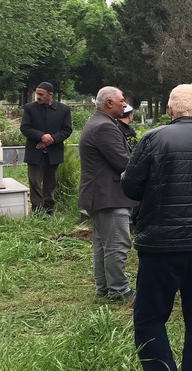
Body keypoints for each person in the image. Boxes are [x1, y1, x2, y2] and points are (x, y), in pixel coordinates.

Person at [123, 84, 192, 371]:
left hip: (161, 242)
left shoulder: (152, 139)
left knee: (149, 318)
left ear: (170, 110)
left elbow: (130, 186)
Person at [78, 86, 138, 301]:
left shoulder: (98, 122)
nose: (125, 104)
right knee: (116, 245)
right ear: (109, 103)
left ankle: (104, 288)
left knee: (103, 245)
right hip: (109, 196)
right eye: (122, 100)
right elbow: (123, 162)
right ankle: (119, 291)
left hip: (100, 194)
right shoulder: (104, 126)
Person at [19, 81, 73, 214]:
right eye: (37, 94)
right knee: (35, 182)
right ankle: (37, 211)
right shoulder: (30, 108)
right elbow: (25, 128)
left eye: (41, 94)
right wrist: (41, 136)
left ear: (50, 95)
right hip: (35, 151)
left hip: (53, 151)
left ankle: (49, 210)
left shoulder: (63, 110)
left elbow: (67, 130)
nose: (38, 97)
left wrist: (51, 140)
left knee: (50, 182)